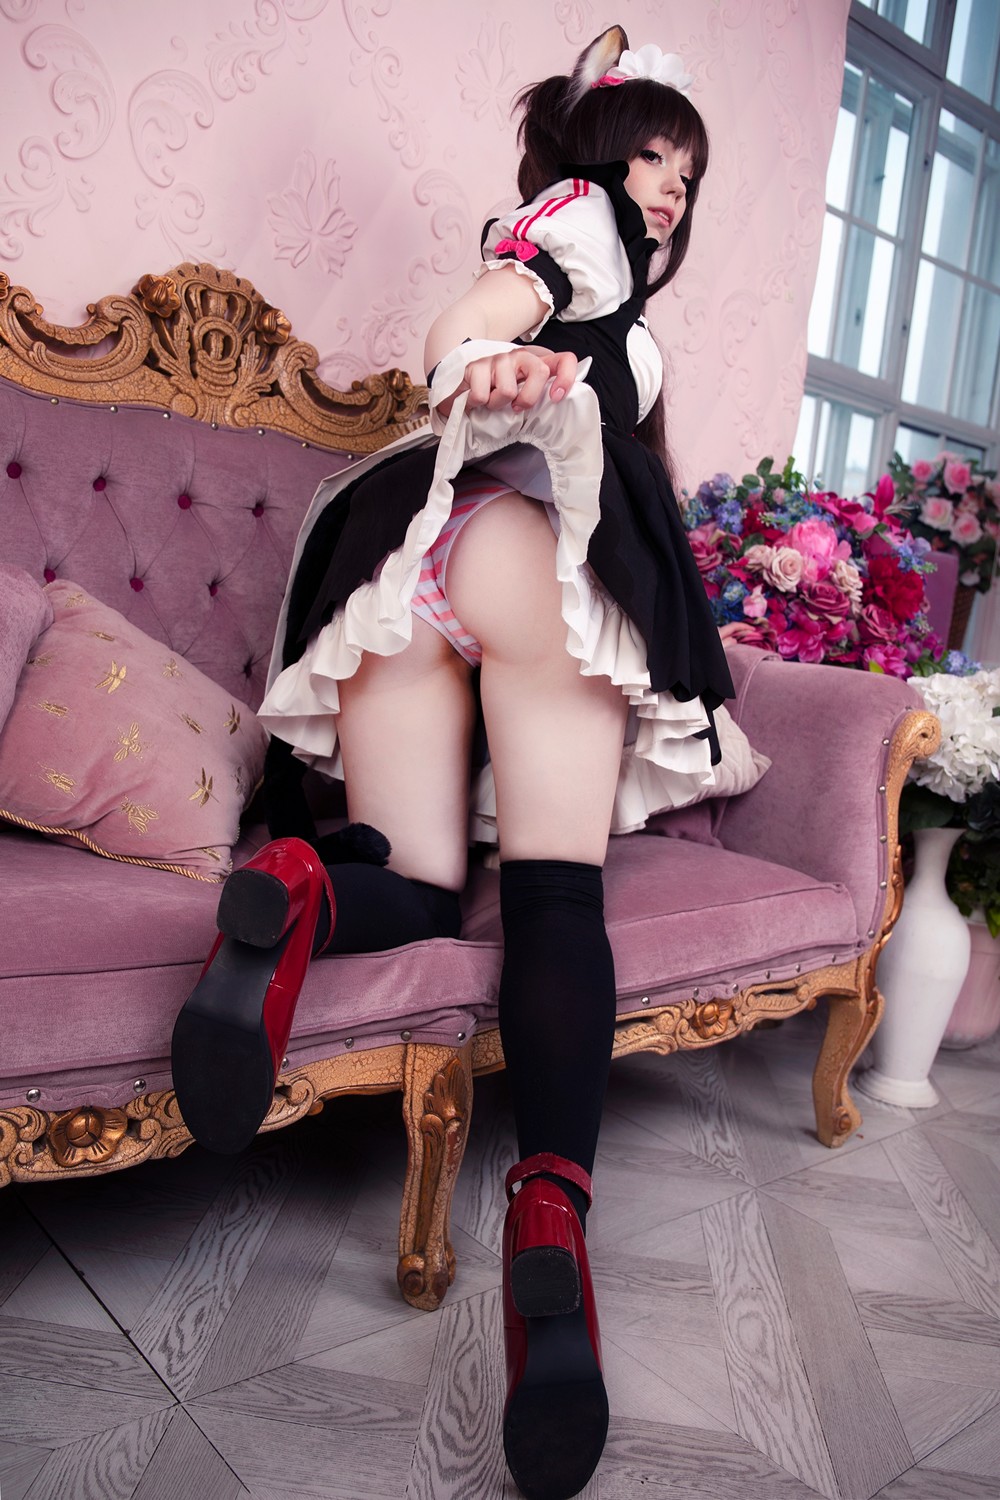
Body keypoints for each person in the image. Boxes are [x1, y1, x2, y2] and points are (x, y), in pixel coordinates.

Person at [171, 25, 733, 1500]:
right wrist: (483, 358)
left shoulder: (617, 294)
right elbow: (480, 307)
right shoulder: (578, 227)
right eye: (650, 153)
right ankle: (549, 1212)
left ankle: (300, 893)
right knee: (553, 899)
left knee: (416, 881)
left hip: (410, 563)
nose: (665, 188)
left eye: (685, 173)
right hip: (527, 554)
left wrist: (498, 363)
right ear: (595, 154)